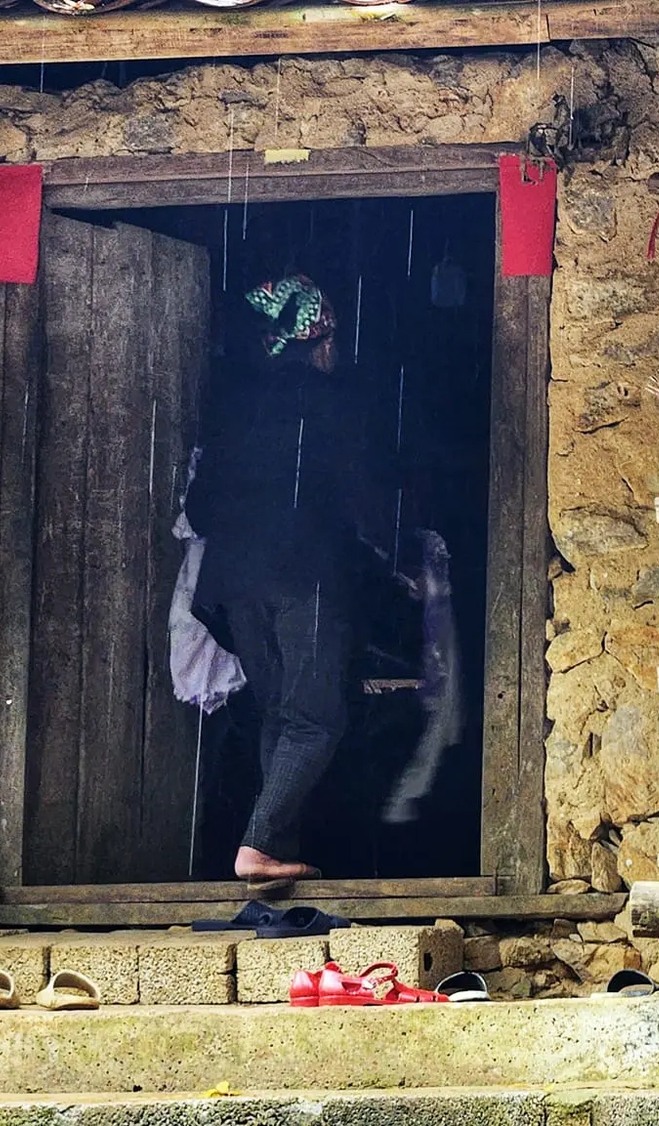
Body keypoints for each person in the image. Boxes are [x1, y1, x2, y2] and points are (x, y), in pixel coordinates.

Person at [186, 274, 377, 894]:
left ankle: (275, 858)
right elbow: (362, 500)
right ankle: (260, 844)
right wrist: (396, 556)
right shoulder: (331, 403)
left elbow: (201, 506)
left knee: (281, 713)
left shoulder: (238, 404)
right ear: (320, 340)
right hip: (305, 578)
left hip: (237, 583)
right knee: (317, 719)